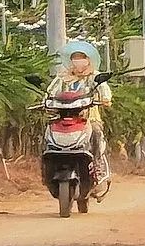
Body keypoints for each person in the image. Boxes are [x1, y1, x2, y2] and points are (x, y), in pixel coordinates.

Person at [45, 39, 113, 191]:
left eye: (82, 58)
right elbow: (50, 92)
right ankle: (48, 167)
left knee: (95, 132)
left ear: (88, 61)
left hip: (88, 118)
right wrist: (46, 101)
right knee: (47, 134)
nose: (78, 62)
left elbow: (104, 92)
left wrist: (105, 99)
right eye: (75, 58)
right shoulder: (62, 77)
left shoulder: (95, 77)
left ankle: (97, 166)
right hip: (63, 117)